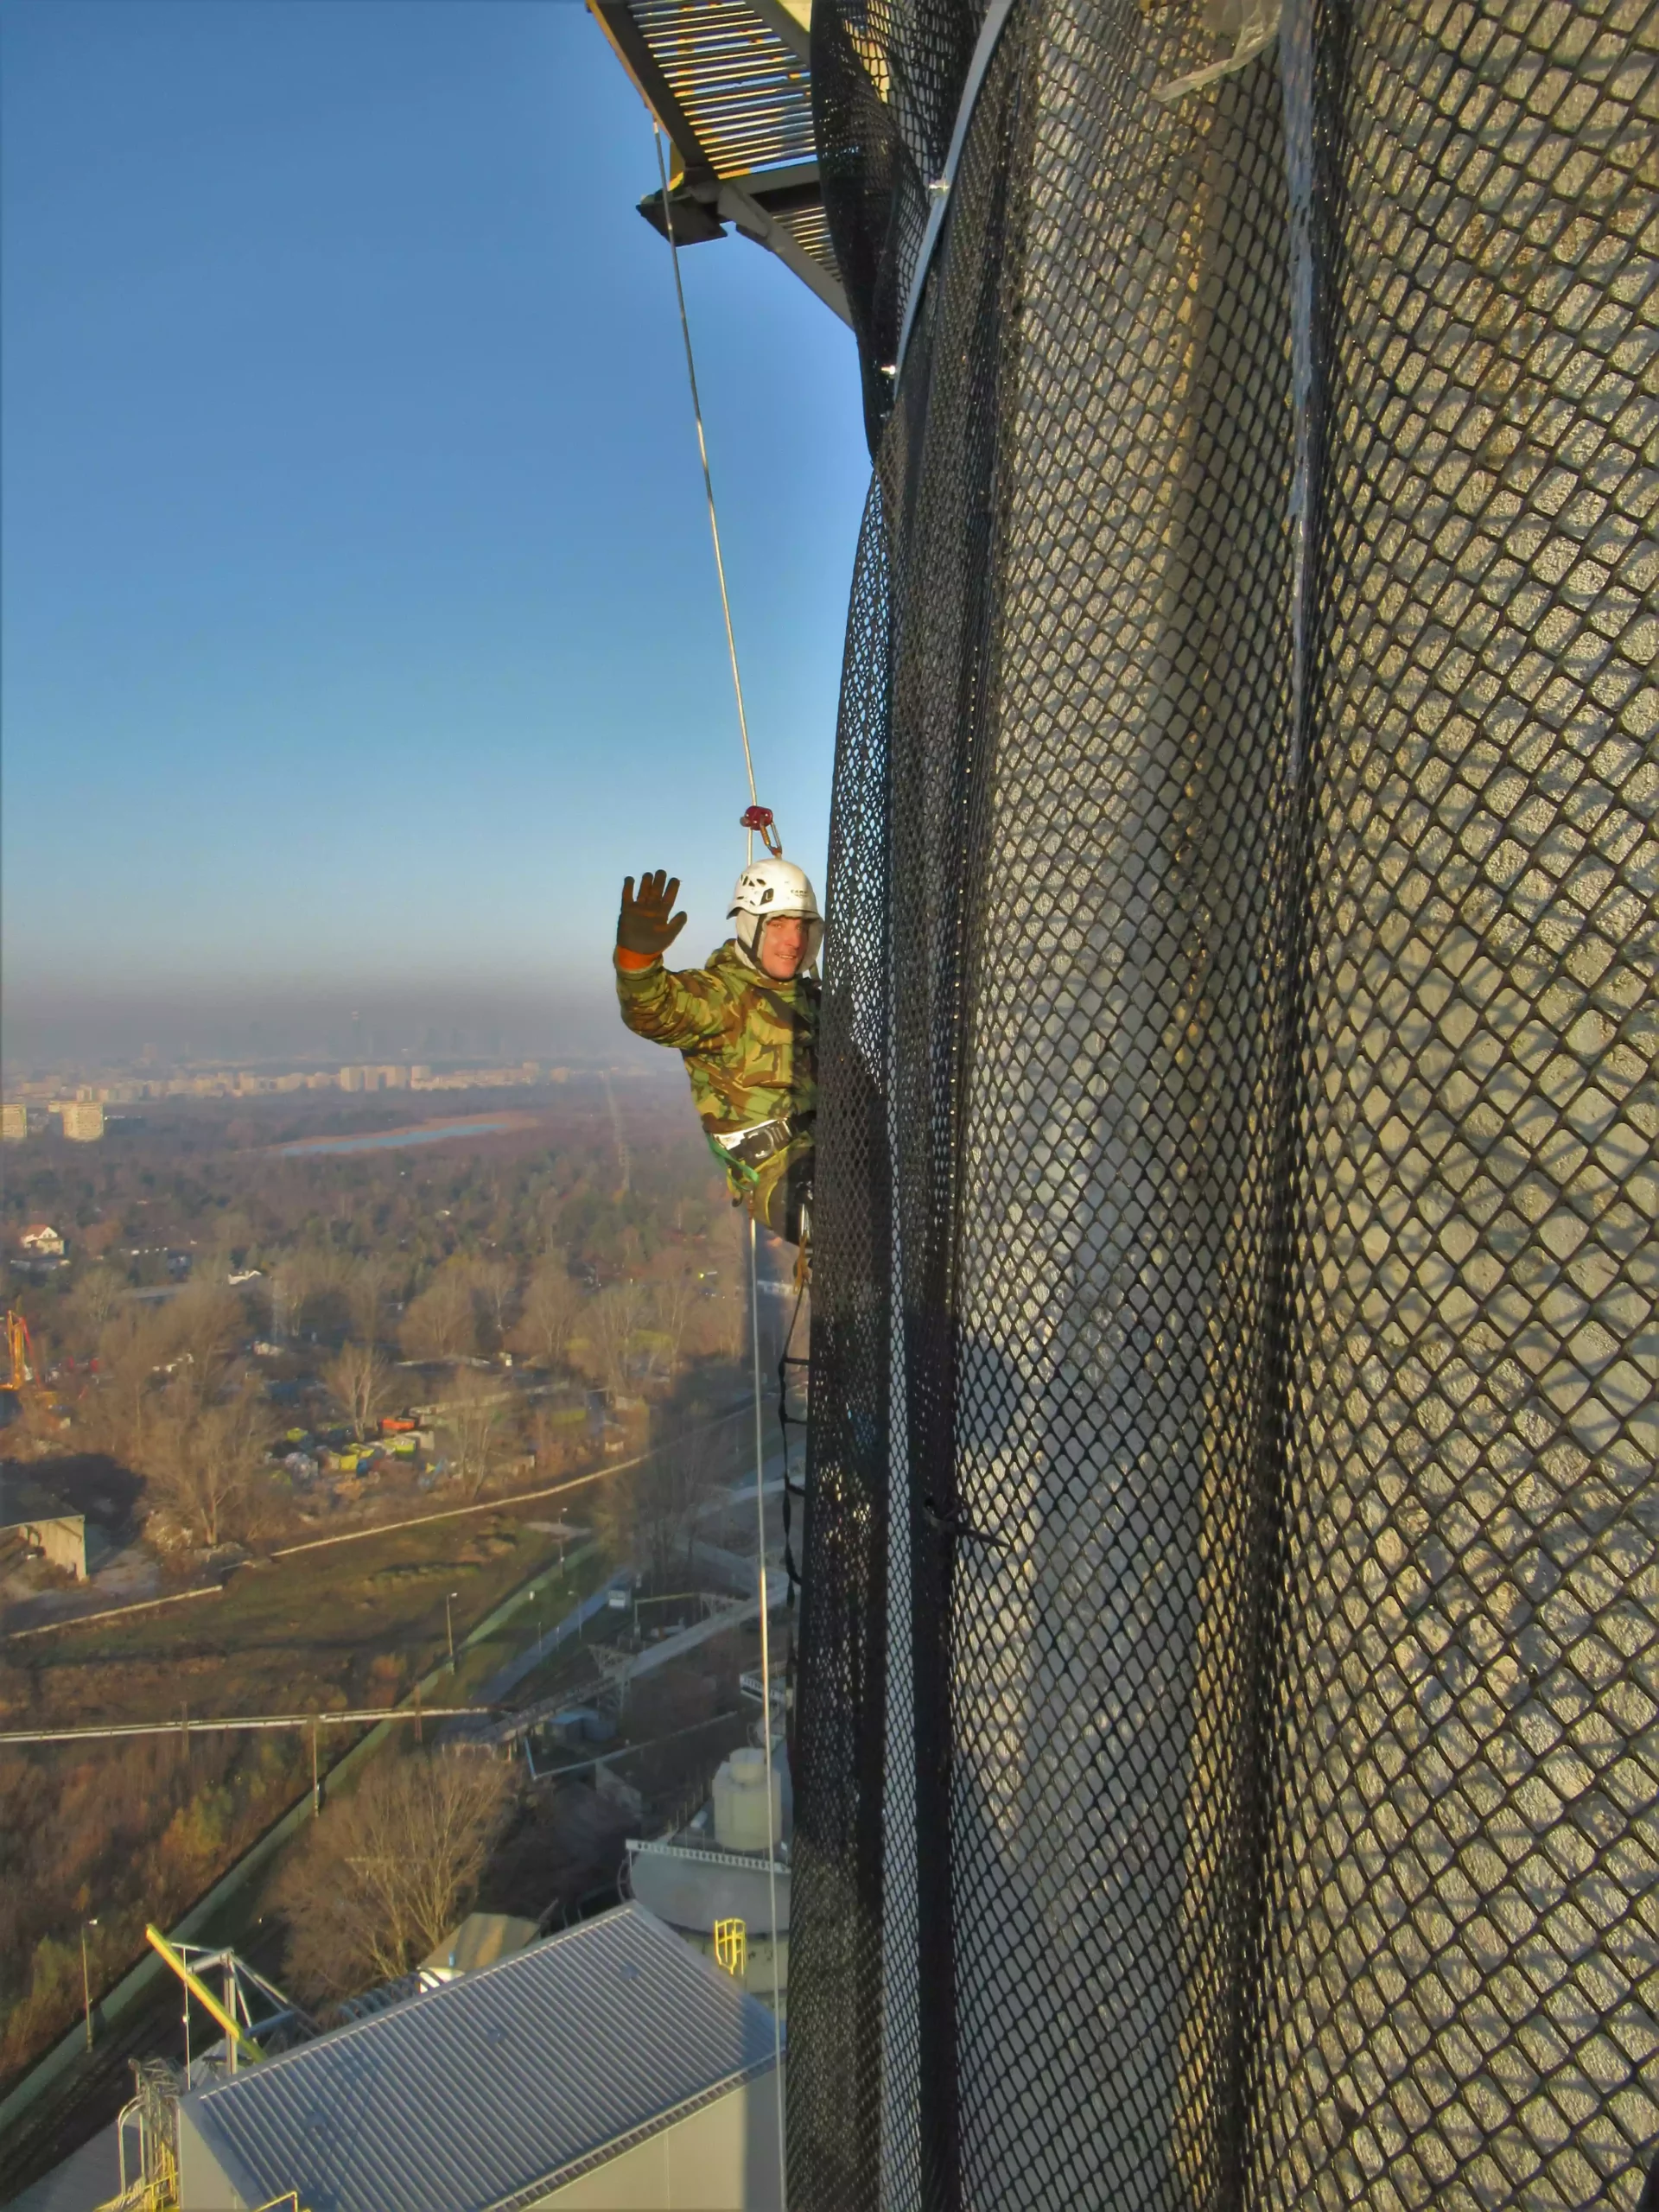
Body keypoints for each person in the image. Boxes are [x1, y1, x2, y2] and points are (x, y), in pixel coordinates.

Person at [613, 859, 821, 1246]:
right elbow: (652, 1011)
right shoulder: (721, 997)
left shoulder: (811, 1001)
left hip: (833, 1147)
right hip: (778, 1173)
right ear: (749, 926)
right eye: (777, 924)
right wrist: (636, 961)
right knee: (837, 1213)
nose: (794, 940)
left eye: (802, 925)